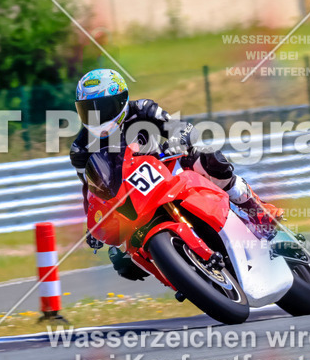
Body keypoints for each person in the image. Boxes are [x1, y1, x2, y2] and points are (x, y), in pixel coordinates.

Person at [69, 68, 283, 281]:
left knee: (210, 158)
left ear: (121, 100)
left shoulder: (143, 109)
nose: (97, 117)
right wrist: (93, 225)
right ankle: (179, 276)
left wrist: (176, 142)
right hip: (129, 198)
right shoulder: (81, 149)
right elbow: (91, 190)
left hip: (166, 170)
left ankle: (256, 211)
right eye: (88, 110)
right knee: (120, 259)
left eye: (103, 108)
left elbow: (181, 128)